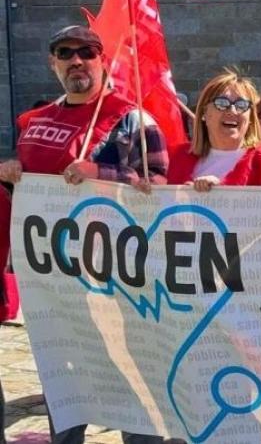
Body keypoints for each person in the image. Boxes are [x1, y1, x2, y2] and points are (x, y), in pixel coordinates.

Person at [0, 25, 167, 444]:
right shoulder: (34, 122)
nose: (77, 60)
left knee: (132, 383)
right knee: (64, 383)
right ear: (53, 63)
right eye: (66, 52)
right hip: (55, 281)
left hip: (119, 280)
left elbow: (161, 185)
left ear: (102, 60)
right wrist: (9, 175)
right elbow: (26, 191)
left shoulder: (132, 118)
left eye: (87, 52)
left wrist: (102, 173)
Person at [167, 70, 261, 189]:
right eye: (222, 103)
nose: (232, 111)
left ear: (250, 117)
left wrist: (223, 193)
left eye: (241, 105)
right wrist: (149, 195)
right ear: (204, 113)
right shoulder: (180, 157)